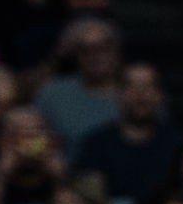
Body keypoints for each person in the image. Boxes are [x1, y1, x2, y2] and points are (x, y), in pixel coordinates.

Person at [73, 61, 182, 204]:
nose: (140, 95)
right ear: (118, 93)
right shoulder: (96, 143)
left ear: (160, 95)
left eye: (148, 87)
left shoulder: (178, 146)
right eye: (131, 86)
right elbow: (87, 198)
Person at [32, 16, 121, 150]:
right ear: (76, 55)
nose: (96, 56)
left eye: (103, 47)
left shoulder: (136, 94)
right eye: (86, 50)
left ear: (116, 51)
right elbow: (33, 142)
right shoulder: (52, 94)